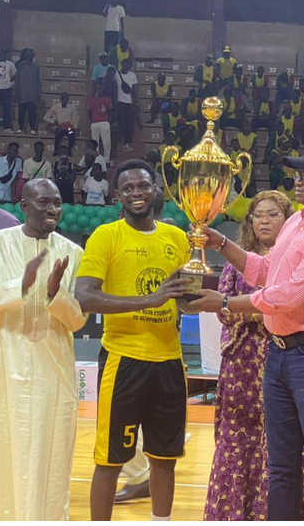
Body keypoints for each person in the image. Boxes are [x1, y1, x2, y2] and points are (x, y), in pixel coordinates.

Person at [187, 144, 304, 521]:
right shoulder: (300, 220)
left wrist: (224, 304)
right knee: (280, 466)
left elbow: (291, 294)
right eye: (298, 174)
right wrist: (221, 243)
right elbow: (266, 271)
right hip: (281, 352)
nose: (298, 181)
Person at [0, 179, 87, 520]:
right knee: (1, 457)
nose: (52, 209)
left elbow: (77, 321)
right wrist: (22, 284)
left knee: (51, 460)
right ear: (24, 206)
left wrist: (53, 294)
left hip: (52, 375)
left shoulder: (73, 253)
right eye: (43, 202)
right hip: (2, 374)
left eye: (57, 203)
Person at [76, 160, 193, 521]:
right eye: (128, 188)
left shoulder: (176, 238)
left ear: (155, 188)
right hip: (124, 359)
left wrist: (223, 300)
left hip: (170, 361)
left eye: (143, 186)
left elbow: (185, 296)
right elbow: (84, 297)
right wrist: (149, 300)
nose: (136, 193)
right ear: (117, 196)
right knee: (109, 459)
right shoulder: (106, 236)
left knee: (164, 458)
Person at [202, 191, 304, 521]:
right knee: (238, 439)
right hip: (242, 366)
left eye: (273, 214)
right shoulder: (239, 262)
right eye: (258, 215)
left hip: (285, 361)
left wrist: (249, 309)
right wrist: (263, 310)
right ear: (250, 222)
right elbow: (224, 311)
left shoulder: (297, 261)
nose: (264, 220)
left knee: (285, 443)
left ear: (288, 220)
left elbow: (295, 304)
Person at [114, 58, 139, 152]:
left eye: (129, 64)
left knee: (129, 124)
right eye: (125, 64)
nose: (127, 66)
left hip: (129, 102)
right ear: (122, 64)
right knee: (120, 124)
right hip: (119, 102)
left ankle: (126, 144)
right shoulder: (116, 74)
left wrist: (135, 103)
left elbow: (133, 90)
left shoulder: (133, 75)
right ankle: (117, 144)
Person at [15, 48, 42, 135]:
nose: (30, 56)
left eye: (32, 54)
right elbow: (17, 79)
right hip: (22, 93)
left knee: (32, 112)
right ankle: (20, 127)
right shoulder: (20, 65)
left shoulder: (36, 67)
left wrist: (39, 92)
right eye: (29, 54)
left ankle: (33, 128)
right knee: (21, 112)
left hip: (32, 94)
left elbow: (38, 80)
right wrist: (17, 90)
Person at [88, 80, 114, 166]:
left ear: (103, 88)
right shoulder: (92, 99)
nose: (99, 89)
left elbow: (110, 111)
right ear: (96, 88)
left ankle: (106, 159)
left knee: (106, 142)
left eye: (101, 87)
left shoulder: (107, 99)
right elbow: (89, 111)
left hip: (104, 122)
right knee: (95, 142)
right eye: (98, 87)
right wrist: (91, 121)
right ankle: (97, 159)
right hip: (95, 122)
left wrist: (108, 120)